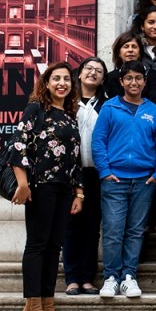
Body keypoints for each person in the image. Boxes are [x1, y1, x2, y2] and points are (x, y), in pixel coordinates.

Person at [10, 62, 82, 311]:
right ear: (47, 83)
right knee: (38, 244)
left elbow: (75, 158)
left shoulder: (70, 115)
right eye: (56, 79)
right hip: (40, 186)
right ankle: (32, 306)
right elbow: (19, 145)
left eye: (66, 79)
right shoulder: (37, 109)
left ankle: (48, 304)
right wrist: (23, 183)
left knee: (54, 247)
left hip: (64, 188)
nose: (62, 83)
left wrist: (79, 192)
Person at [92, 61, 156, 299]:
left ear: (145, 82)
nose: (134, 82)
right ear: (121, 82)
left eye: (138, 78)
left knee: (135, 231)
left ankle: (129, 276)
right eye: (129, 78)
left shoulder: (153, 111)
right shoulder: (110, 108)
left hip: (144, 180)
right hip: (115, 180)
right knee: (113, 230)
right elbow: (98, 141)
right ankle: (111, 277)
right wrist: (104, 171)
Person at [63, 57, 108, 298]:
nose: (93, 73)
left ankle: (87, 278)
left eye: (99, 71)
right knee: (71, 225)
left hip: (95, 173)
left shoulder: (108, 105)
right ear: (79, 74)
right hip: (70, 173)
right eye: (89, 69)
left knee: (92, 227)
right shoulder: (66, 102)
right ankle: (71, 278)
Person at [105, 31, 156, 109]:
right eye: (126, 46)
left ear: (140, 52)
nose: (130, 50)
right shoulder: (111, 77)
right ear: (118, 52)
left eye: (134, 46)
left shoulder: (150, 74)